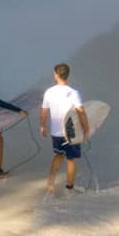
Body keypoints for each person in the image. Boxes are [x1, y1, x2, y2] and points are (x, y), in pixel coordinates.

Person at [40, 62, 90, 194]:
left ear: (56, 75)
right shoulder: (74, 93)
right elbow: (81, 113)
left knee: (58, 155)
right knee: (71, 159)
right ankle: (69, 188)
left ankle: (50, 182)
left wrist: (42, 125)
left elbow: (44, 111)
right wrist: (86, 129)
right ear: (67, 75)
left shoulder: (49, 92)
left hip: (56, 132)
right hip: (71, 132)